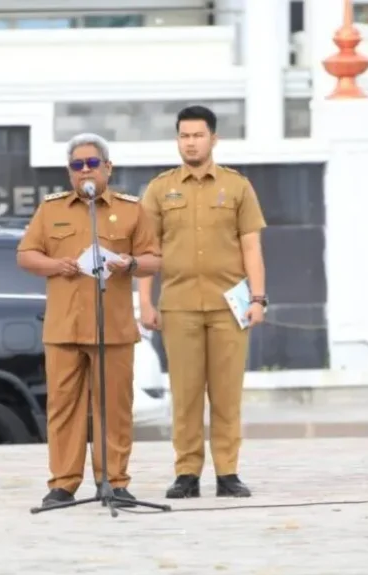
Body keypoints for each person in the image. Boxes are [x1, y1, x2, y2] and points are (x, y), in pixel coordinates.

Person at [17, 133, 162, 507]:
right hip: (64, 327)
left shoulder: (131, 209)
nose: (85, 171)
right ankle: (63, 483)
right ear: (69, 172)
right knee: (64, 407)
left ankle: (113, 480)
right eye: (76, 165)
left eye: (92, 164)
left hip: (111, 327)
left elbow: (154, 259)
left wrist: (128, 263)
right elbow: (26, 254)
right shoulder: (51, 209)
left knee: (113, 407)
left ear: (107, 168)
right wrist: (55, 265)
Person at [137, 105, 267, 499]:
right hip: (178, 306)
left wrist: (258, 298)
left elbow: (251, 248)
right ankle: (187, 473)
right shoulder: (160, 189)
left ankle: (228, 472)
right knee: (186, 393)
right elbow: (148, 250)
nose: (190, 142)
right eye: (184, 135)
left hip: (230, 306)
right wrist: (144, 301)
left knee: (227, 393)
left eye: (197, 135)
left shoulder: (237, 187)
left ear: (213, 139)